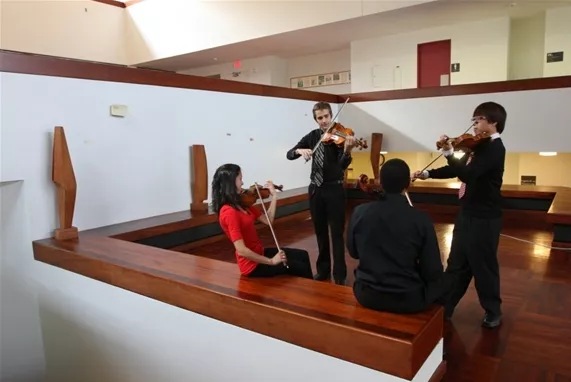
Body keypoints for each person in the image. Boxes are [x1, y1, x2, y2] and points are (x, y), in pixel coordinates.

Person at [411, 101, 507, 328]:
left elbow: (468, 174)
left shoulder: (495, 148)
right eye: (473, 120)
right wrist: (427, 173)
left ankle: (493, 310)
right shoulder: (478, 146)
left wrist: (449, 153)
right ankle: (446, 305)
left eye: (479, 120)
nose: (474, 125)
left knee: (483, 265)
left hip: (485, 217)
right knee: (456, 262)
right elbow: (456, 168)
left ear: (493, 122)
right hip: (467, 213)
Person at [347, 158, 455, 314]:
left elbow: (353, 252)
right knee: (448, 280)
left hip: (366, 294)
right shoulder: (421, 219)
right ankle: (439, 326)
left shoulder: (359, 212)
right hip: (407, 298)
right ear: (408, 185)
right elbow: (432, 271)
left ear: (380, 183)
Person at [286, 101, 356, 285]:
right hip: (315, 189)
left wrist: (347, 151)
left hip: (334, 189)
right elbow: (289, 154)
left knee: (336, 234)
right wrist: (298, 151)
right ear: (315, 120)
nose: (324, 121)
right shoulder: (313, 136)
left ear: (331, 115)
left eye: (326, 116)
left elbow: (342, 165)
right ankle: (323, 271)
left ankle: (339, 275)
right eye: (320, 118)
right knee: (320, 232)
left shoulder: (340, 136)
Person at [212, 163, 313, 279]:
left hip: (260, 252)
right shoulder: (228, 212)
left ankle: (314, 291)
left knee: (303, 255)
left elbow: (268, 220)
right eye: (240, 179)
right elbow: (241, 250)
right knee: (299, 267)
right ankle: (312, 294)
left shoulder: (243, 204)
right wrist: (271, 261)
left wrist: (274, 197)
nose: (243, 183)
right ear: (230, 183)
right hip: (252, 266)